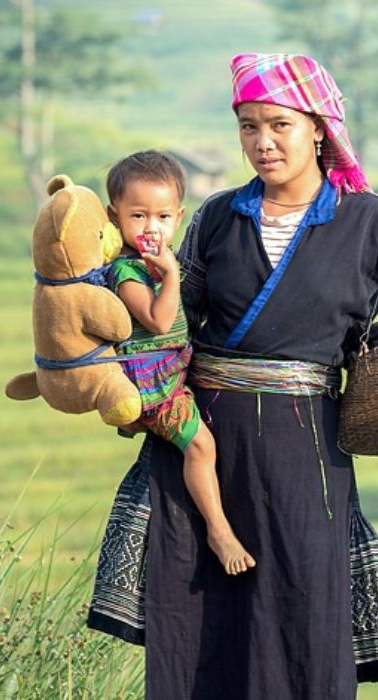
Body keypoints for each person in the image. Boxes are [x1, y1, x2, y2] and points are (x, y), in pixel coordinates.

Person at [87, 52, 378, 699]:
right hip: (204, 451)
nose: (262, 142)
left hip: (305, 461)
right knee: (194, 639)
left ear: (318, 127)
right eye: (248, 126)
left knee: (305, 627)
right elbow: (169, 323)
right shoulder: (217, 217)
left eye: (277, 124)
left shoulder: (371, 222)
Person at [102, 151, 254, 576]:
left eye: (163, 217)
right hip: (153, 386)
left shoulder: (154, 263)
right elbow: (158, 319)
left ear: (180, 217)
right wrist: (170, 275)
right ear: (115, 217)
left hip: (173, 374)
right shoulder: (127, 272)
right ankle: (218, 529)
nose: (152, 227)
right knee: (202, 447)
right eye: (138, 216)